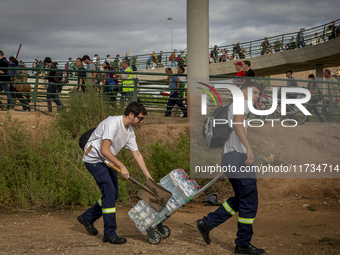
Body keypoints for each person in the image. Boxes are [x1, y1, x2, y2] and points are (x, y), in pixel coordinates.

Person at [196, 81, 264, 255]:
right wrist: (249, 148)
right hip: (239, 158)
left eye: (258, 93)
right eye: (255, 92)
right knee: (249, 201)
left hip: (230, 158)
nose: (257, 96)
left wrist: (223, 165)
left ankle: (207, 223)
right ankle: (242, 244)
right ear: (243, 92)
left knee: (242, 198)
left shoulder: (230, 107)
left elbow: (225, 138)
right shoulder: (242, 104)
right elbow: (238, 125)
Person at [78, 101, 152, 245]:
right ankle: (109, 234)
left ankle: (87, 217)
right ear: (131, 115)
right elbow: (104, 150)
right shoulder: (113, 123)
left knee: (114, 194)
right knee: (110, 193)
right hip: (94, 159)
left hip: (107, 160)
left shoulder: (130, 132)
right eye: (140, 118)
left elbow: (137, 154)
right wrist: (122, 166)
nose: (141, 121)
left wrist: (148, 177)